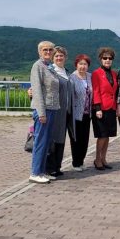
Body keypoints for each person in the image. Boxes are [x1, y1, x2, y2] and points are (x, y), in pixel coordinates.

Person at [29, 41, 59, 184]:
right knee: (40, 142)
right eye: (45, 50)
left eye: (50, 50)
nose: (48, 52)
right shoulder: (38, 66)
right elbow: (37, 90)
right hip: (44, 109)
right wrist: (41, 113)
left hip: (52, 108)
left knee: (46, 142)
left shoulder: (49, 66)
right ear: (39, 51)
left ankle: (42, 171)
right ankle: (35, 172)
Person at [46, 46, 74, 178]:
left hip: (66, 112)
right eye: (56, 56)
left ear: (65, 57)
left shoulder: (67, 72)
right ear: (53, 58)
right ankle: (50, 168)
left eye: (61, 55)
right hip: (55, 110)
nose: (59, 58)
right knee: (53, 139)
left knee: (61, 139)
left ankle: (57, 166)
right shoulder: (50, 71)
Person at [91, 47, 118, 170]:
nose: (107, 60)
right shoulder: (96, 73)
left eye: (110, 58)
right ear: (100, 59)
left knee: (108, 136)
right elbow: (96, 91)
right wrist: (97, 108)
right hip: (100, 109)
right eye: (105, 58)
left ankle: (103, 158)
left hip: (111, 108)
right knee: (102, 136)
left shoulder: (114, 74)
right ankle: (97, 159)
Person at [69, 54, 92, 172]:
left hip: (88, 113)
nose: (83, 66)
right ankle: (76, 163)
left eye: (85, 64)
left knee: (85, 139)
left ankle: (81, 161)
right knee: (76, 139)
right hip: (76, 114)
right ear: (76, 65)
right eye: (80, 64)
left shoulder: (90, 76)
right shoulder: (71, 78)